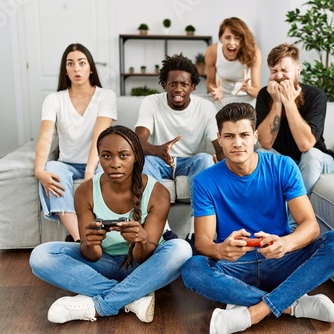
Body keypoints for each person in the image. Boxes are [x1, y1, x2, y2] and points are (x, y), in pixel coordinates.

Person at [181, 103, 334, 334]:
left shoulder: (283, 166)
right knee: (193, 269)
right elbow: (202, 242)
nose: (237, 143)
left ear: (255, 137)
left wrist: (286, 243)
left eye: (243, 135)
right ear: (219, 139)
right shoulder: (204, 180)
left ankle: (253, 311)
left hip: (281, 259)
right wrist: (221, 250)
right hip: (234, 266)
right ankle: (292, 305)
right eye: (229, 136)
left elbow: (310, 226)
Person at [29, 125, 192, 324]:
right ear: (99, 157)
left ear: (136, 157)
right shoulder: (86, 191)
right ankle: (132, 297)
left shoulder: (157, 193)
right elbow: (92, 255)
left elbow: (143, 256)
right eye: (107, 156)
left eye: (124, 156)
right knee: (40, 256)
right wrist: (89, 243)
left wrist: (141, 240)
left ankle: (100, 305)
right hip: (102, 263)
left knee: (182, 249)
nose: (115, 164)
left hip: (143, 265)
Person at [35, 43, 117, 242]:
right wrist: (39, 170)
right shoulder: (54, 99)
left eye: (82, 63)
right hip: (67, 163)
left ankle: (107, 236)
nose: (76, 69)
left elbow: (101, 136)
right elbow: (45, 137)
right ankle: (81, 240)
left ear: (90, 68)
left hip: (98, 161)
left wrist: (90, 171)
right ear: (65, 70)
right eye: (70, 64)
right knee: (52, 168)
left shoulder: (106, 96)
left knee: (110, 174)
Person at [135, 53, 225, 206]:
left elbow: (219, 145)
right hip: (160, 161)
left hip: (192, 161)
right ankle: (161, 228)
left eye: (184, 84)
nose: (178, 89)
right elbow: (137, 140)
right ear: (164, 84)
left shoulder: (205, 107)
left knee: (205, 159)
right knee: (147, 161)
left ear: (193, 86)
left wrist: (228, 169)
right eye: (172, 84)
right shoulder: (151, 102)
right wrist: (158, 151)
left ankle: (197, 226)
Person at [255, 43, 334, 197]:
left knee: (310, 155)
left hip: (317, 159)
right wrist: (277, 102)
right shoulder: (264, 95)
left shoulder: (316, 96)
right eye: (274, 71)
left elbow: (306, 145)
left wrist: (289, 102)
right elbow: (266, 143)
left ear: (297, 71)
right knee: (261, 153)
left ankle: (295, 217)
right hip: (285, 160)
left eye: (285, 71)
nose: (279, 76)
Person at [205, 17, 262, 105]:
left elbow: (257, 91)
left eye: (237, 38)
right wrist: (214, 90)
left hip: (244, 94)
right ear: (221, 38)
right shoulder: (212, 52)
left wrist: (248, 89)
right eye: (227, 37)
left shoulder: (254, 52)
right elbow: (210, 81)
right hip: (221, 95)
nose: (232, 43)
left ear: (243, 40)